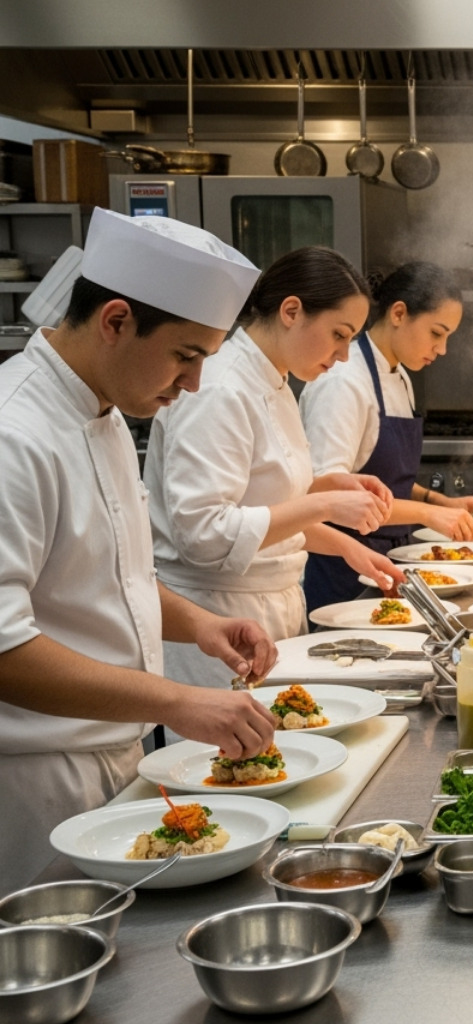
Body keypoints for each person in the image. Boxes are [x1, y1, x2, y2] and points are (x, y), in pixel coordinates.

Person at [0, 210, 279, 891]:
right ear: (115, 321)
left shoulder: (106, 412)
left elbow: (111, 576)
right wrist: (175, 701)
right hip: (32, 784)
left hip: (114, 759)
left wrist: (199, 625)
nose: (194, 385)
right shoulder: (14, 434)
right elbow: (4, 650)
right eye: (186, 355)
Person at [145, 246, 405, 689]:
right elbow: (204, 534)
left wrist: (345, 544)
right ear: (291, 311)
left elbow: (265, 507)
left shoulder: (276, 382)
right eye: (339, 334)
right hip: (216, 621)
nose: (344, 355)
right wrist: (324, 502)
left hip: (271, 608)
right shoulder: (221, 389)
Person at [299, 261, 473, 610]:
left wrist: (437, 502)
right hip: (345, 574)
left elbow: (380, 477)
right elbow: (330, 492)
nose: (442, 350)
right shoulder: (344, 381)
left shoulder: (399, 376)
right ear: (399, 313)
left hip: (391, 561)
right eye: (436, 333)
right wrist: (427, 516)